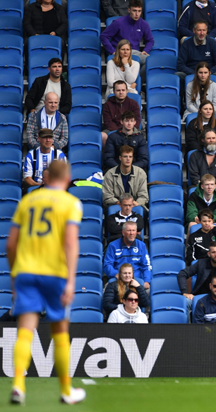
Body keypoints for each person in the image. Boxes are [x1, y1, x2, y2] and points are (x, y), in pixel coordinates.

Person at [6, 161, 86, 405]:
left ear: (47, 176)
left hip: (26, 272)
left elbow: (10, 244)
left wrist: (13, 277)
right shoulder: (71, 203)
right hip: (54, 273)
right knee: (60, 332)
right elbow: (71, 243)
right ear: (68, 178)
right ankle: (65, 390)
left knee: (24, 331)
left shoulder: (27, 201)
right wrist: (71, 281)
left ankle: (18, 385)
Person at [179, 243, 216, 312]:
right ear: (209, 254)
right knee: (185, 302)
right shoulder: (201, 263)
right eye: (213, 252)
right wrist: (185, 292)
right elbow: (182, 274)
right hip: (198, 298)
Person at [100, 0, 153, 66]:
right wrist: (112, 51)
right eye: (134, 10)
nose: (137, 14)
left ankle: (139, 76)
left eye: (139, 11)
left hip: (134, 53)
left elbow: (150, 40)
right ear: (129, 10)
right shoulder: (118, 22)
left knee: (149, 61)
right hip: (119, 52)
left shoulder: (144, 24)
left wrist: (145, 50)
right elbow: (103, 36)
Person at [102, 82, 142, 146]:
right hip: (113, 130)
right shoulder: (108, 104)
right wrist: (120, 132)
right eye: (118, 90)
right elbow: (108, 122)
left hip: (130, 129)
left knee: (140, 137)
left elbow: (137, 120)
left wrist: (128, 130)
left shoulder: (134, 104)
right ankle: (106, 156)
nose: (121, 92)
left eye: (123, 90)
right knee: (102, 136)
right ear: (114, 91)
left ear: (126, 91)